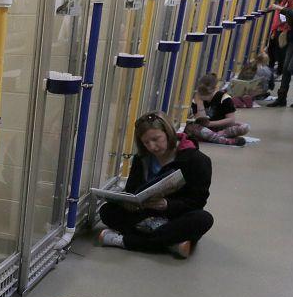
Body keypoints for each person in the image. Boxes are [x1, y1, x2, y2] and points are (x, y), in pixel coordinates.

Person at [96, 112, 213, 258]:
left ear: (168, 132)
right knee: (107, 211)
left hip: (176, 215)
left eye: (156, 139)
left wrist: (167, 205)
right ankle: (170, 242)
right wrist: (130, 202)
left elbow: (197, 201)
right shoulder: (141, 159)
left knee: (203, 219)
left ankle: (124, 241)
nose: (152, 146)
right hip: (146, 213)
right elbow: (133, 189)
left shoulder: (197, 160)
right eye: (146, 142)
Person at [185, 73, 250, 145]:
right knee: (193, 128)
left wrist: (210, 124)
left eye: (207, 94)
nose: (204, 97)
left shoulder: (224, 98)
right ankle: (226, 140)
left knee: (245, 127)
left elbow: (231, 120)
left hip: (221, 127)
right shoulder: (197, 99)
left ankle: (216, 136)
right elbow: (200, 122)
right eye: (202, 94)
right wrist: (199, 103)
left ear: (215, 89)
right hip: (205, 129)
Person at [267, 0, 293, 79]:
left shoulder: (292, 1)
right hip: (276, 29)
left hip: (283, 30)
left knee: (281, 52)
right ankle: (270, 70)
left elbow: (287, 16)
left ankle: (279, 72)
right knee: (271, 51)